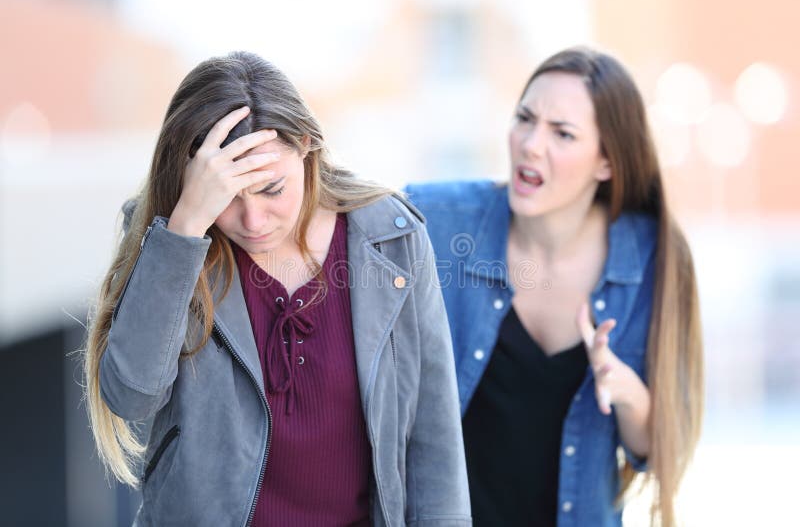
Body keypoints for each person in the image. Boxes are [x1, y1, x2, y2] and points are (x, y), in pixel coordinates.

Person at [83, 51, 471, 526]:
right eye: (227, 196)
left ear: (307, 146)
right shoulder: (171, 241)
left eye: (271, 189)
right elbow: (131, 395)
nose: (253, 220)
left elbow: (434, 443)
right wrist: (185, 228)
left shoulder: (390, 238)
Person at [404, 47, 703, 527]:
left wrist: (627, 391)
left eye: (562, 133)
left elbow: (657, 451)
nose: (531, 144)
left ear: (607, 161)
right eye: (525, 118)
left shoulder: (653, 258)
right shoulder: (435, 222)